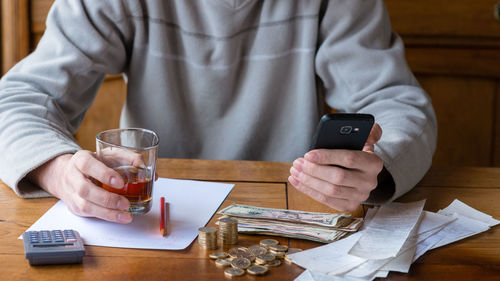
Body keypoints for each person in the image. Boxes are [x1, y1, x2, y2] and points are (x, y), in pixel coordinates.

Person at [0, 0, 437, 224]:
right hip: (152, 220)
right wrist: (55, 169)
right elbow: (17, 98)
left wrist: (374, 171)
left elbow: (399, 103)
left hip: (293, 216)